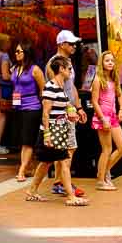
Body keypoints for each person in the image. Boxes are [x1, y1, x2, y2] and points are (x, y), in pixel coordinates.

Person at [25, 56, 89, 208]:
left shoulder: (60, 87)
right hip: (52, 133)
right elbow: (46, 113)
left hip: (58, 131)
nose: (70, 71)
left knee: (46, 163)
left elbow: (65, 105)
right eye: (68, 68)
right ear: (61, 69)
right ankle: (71, 196)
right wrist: (47, 135)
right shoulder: (50, 87)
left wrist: (74, 113)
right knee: (64, 162)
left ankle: (31, 191)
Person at [48, 28, 87, 198]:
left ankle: (59, 182)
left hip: (69, 110)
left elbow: (71, 88)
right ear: (62, 44)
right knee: (68, 148)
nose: (74, 47)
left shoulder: (68, 63)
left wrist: (78, 107)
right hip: (61, 113)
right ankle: (64, 183)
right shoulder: (53, 64)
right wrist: (69, 109)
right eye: (71, 44)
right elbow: (56, 88)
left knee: (65, 148)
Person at [90, 50, 122, 190]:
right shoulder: (98, 80)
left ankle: (104, 172)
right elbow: (94, 101)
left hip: (112, 116)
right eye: (107, 60)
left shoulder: (114, 79)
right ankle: (101, 180)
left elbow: (120, 95)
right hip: (103, 117)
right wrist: (102, 119)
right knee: (107, 149)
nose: (110, 63)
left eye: (112, 60)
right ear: (102, 63)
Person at [9, 41, 44, 182]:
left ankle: (21, 171)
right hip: (18, 106)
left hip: (32, 106)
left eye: (19, 51)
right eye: (16, 51)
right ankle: (28, 167)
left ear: (26, 53)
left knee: (27, 141)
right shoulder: (15, 68)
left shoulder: (35, 69)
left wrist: (44, 108)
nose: (16, 54)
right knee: (22, 139)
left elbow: (43, 89)